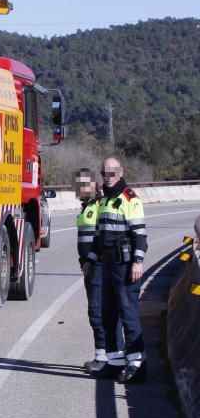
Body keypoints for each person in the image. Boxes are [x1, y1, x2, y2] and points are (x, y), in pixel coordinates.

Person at [90, 155, 148, 383]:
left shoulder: (129, 199)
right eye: (105, 173)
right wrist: (91, 259)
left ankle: (137, 364)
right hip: (107, 266)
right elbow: (98, 236)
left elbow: (140, 235)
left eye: (113, 172)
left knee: (128, 315)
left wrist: (138, 261)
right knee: (108, 315)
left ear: (121, 172)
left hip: (125, 266)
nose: (109, 177)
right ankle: (115, 362)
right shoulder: (103, 200)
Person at [73, 168, 111, 374]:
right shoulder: (86, 206)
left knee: (97, 312)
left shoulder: (99, 205)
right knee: (94, 311)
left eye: (82, 184)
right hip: (89, 266)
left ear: (94, 185)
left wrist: (91, 259)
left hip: (98, 266)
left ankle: (103, 357)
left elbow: (102, 238)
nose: (78, 189)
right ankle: (101, 355)